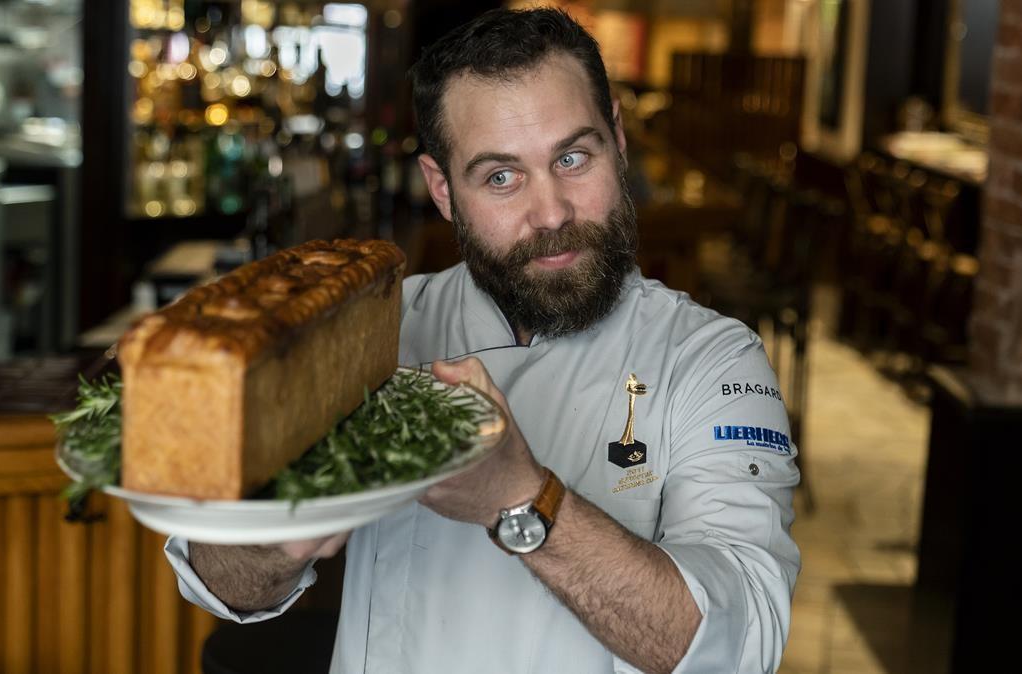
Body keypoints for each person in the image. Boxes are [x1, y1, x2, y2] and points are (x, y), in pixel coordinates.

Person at [167, 8, 800, 673]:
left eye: (573, 157)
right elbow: (216, 580)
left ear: (617, 137)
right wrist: (278, 538)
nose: (551, 211)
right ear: (442, 189)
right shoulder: (374, 336)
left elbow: (742, 642)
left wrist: (522, 502)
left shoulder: (713, 360)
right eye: (501, 177)